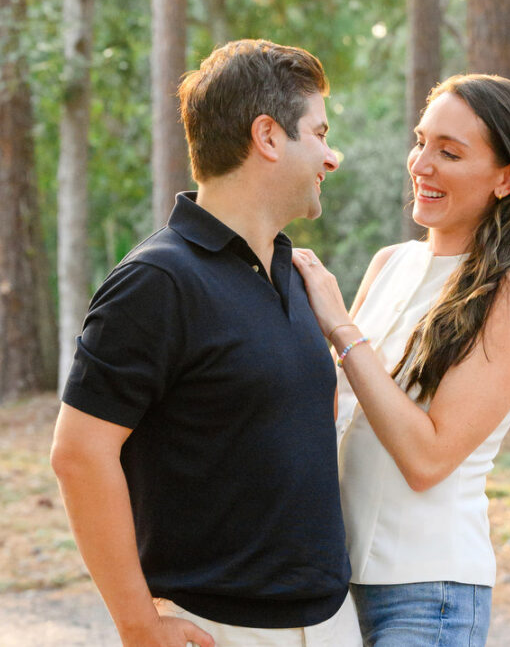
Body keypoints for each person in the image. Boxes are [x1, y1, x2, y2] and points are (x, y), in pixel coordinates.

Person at [50, 39, 360, 647]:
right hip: (218, 630)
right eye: (319, 134)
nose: (333, 156)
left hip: (327, 623)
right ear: (268, 137)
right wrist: (138, 624)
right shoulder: (157, 280)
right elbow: (79, 454)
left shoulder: (292, 275)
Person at [292, 73, 510, 647]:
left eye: (450, 152)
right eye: (422, 141)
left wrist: (340, 326)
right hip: (332, 582)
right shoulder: (390, 263)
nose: (422, 163)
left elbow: (427, 458)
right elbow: (334, 413)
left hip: (428, 595)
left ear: (507, 177)